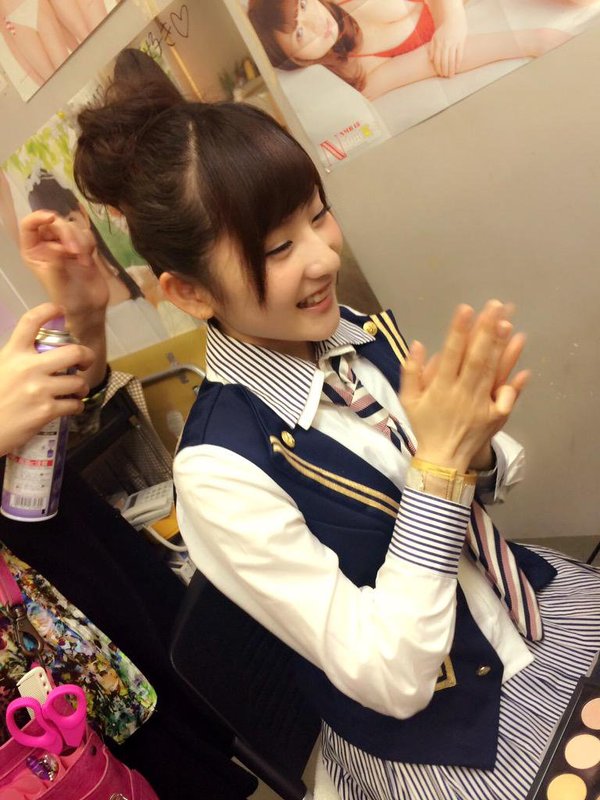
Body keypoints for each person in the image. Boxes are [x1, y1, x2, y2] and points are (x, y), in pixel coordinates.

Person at [69, 48, 600, 799]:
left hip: (534, 611)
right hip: (444, 732)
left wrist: (473, 448)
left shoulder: (355, 334)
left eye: (318, 214)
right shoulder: (218, 472)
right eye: (277, 247)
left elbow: (489, 482)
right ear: (189, 292)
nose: (322, 257)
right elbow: (391, 675)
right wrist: (440, 470)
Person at [0, 209, 258, 799]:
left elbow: (47, 444)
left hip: (121, 611)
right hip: (51, 719)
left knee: (227, 747)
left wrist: (83, 318)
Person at [247, 0, 571, 99]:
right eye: (300, 33)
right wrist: (532, 40)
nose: (317, 23)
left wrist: (452, 20)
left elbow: (448, 37)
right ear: (296, 61)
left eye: (304, 5)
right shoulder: (361, 76)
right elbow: (437, 59)